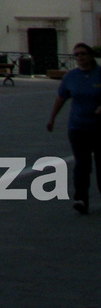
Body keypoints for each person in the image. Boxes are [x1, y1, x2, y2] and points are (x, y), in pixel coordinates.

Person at [46, 42, 101, 214]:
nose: (80, 57)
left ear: (91, 55)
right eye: (76, 55)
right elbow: (61, 98)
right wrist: (52, 119)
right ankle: (80, 199)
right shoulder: (71, 76)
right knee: (82, 164)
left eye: (83, 53)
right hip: (78, 127)